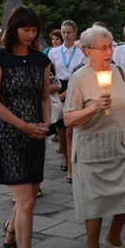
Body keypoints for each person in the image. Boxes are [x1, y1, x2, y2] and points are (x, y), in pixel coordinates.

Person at [64, 26, 125, 248]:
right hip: (91, 149)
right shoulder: (80, 77)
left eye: (111, 46)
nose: (110, 51)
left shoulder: (119, 71)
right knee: (94, 207)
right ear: (89, 52)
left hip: (119, 145)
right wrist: (94, 108)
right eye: (103, 48)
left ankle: (113, 236)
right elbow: (68, 119)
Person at [0, 6, 51, 248]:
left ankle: (11, 230)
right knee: (27, 201)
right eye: (26, 29)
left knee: (30, 194)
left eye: (34, 29)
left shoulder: (40, 60)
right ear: (14, 29)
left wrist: (45, 126)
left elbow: (45, 97)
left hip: (36, 135)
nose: (30, 34)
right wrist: (23, 126)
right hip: (9, 136)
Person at [48, 20, 86, 183]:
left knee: (71, 128)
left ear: (75, 33)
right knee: (61, 129)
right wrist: (58, 93)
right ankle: (65, 155)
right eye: (63, 33)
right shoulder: (54, 52)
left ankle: (72, 163)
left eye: (69, 32)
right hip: (58, 86)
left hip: (75, 86)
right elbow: (51, 75)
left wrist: (67, 93)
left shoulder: (81, 53)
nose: (66, 36)